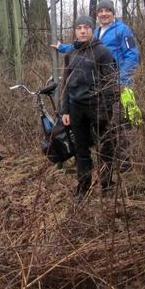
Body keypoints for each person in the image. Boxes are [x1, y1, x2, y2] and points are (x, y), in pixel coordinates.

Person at [54, 0, 142, 165]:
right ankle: (104, 159)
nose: (104, 14)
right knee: (103, 126)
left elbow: (132, 56)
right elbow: (83, 49)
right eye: (100, 11)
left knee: (118, 121)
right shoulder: (96, 31)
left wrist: (119, 79)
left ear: (113, 13)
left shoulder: (123, 30)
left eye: (107, 10)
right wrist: (62, 48)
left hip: (117, 83)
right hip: (97, 88)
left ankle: (123, 161)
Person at [55, 16, 119, 198]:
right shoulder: (71, 55)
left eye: (86, 28)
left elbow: (110, 83)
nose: (83, 31)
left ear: (92, 30)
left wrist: (104, 108)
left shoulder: (103, 52)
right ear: (75, 31)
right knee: (80, 149)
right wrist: (65, 110)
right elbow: (66, 84)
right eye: (79, 28)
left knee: (105, 147)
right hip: (76, 108)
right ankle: (83, 187)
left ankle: (107, 185)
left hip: (98, 107)